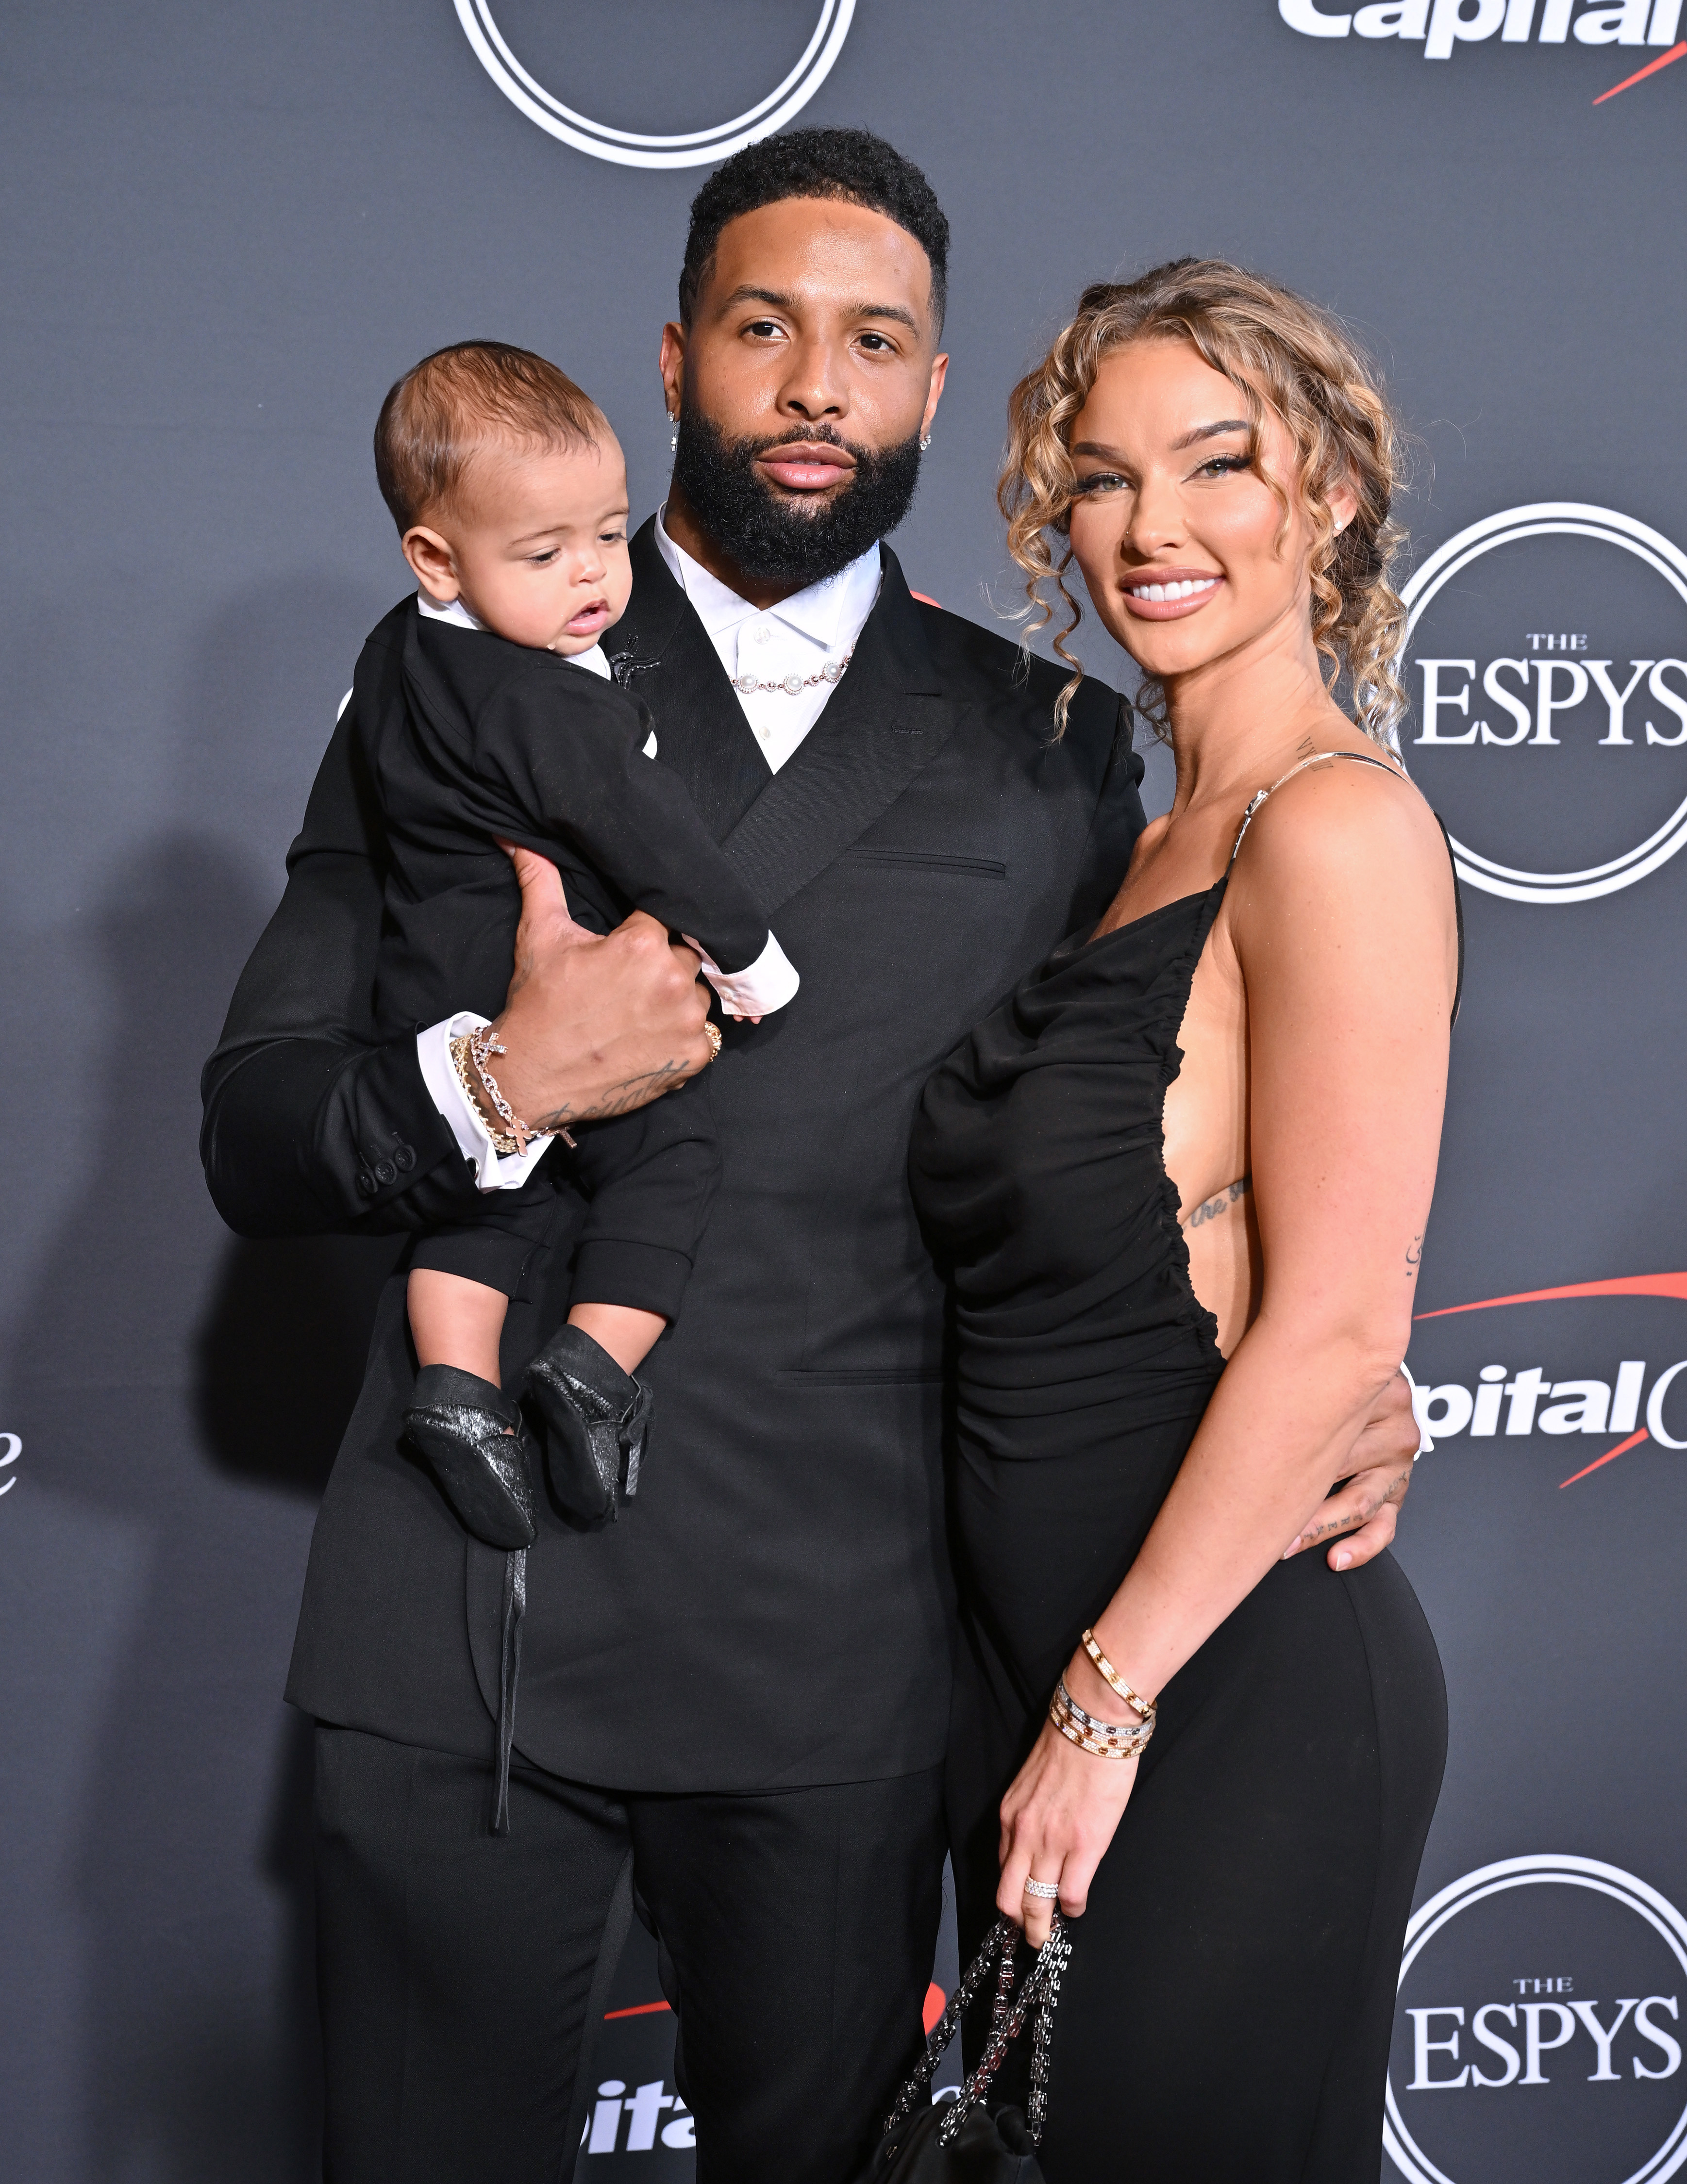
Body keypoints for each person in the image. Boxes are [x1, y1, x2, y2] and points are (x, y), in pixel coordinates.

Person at [201, 139, 1416, 2183]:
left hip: (843, 1681)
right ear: (675, 359)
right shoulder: (444, 681)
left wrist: (1330, 1392)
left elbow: (1128, 1160)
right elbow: (255, 1129)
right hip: (461, 1637)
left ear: (937, 392)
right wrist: (501, 1082)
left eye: (872, 343)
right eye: (762, 331)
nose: (811, 387)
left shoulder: (1052, 745)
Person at [909, 259, 1459, 2178]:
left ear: (1323, 498)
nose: (1146, 527)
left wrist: (1101, 1711)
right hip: (1051, 1682)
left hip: (1210, 1703)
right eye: (1097, 476)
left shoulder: (1336, 829)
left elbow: (1327, 1327)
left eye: (1212, 466)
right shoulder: (1124, 841)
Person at [355, 341, 799, 1743]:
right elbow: (651, 838)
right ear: (438, 559)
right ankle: (595, 1362)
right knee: (670, 1153)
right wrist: (755, 963)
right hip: (563, 988)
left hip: (435, 992)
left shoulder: (397, 653)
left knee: (484, 1185)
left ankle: (456, 1384)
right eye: (544, 553)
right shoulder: (552, 698)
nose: (595, 577)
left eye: (608, 534)